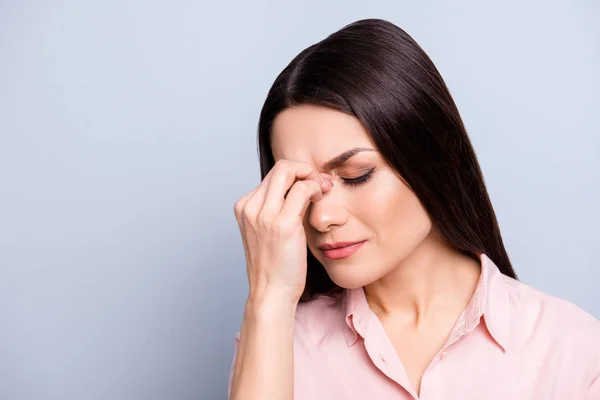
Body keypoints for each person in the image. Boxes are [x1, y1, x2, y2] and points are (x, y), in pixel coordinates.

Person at [227, 18, 600, 400]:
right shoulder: (275, 342)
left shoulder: (572, 349)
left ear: (432, 157)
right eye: (298, 190)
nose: (321, 218)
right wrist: (268, 296)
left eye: (357, 175)